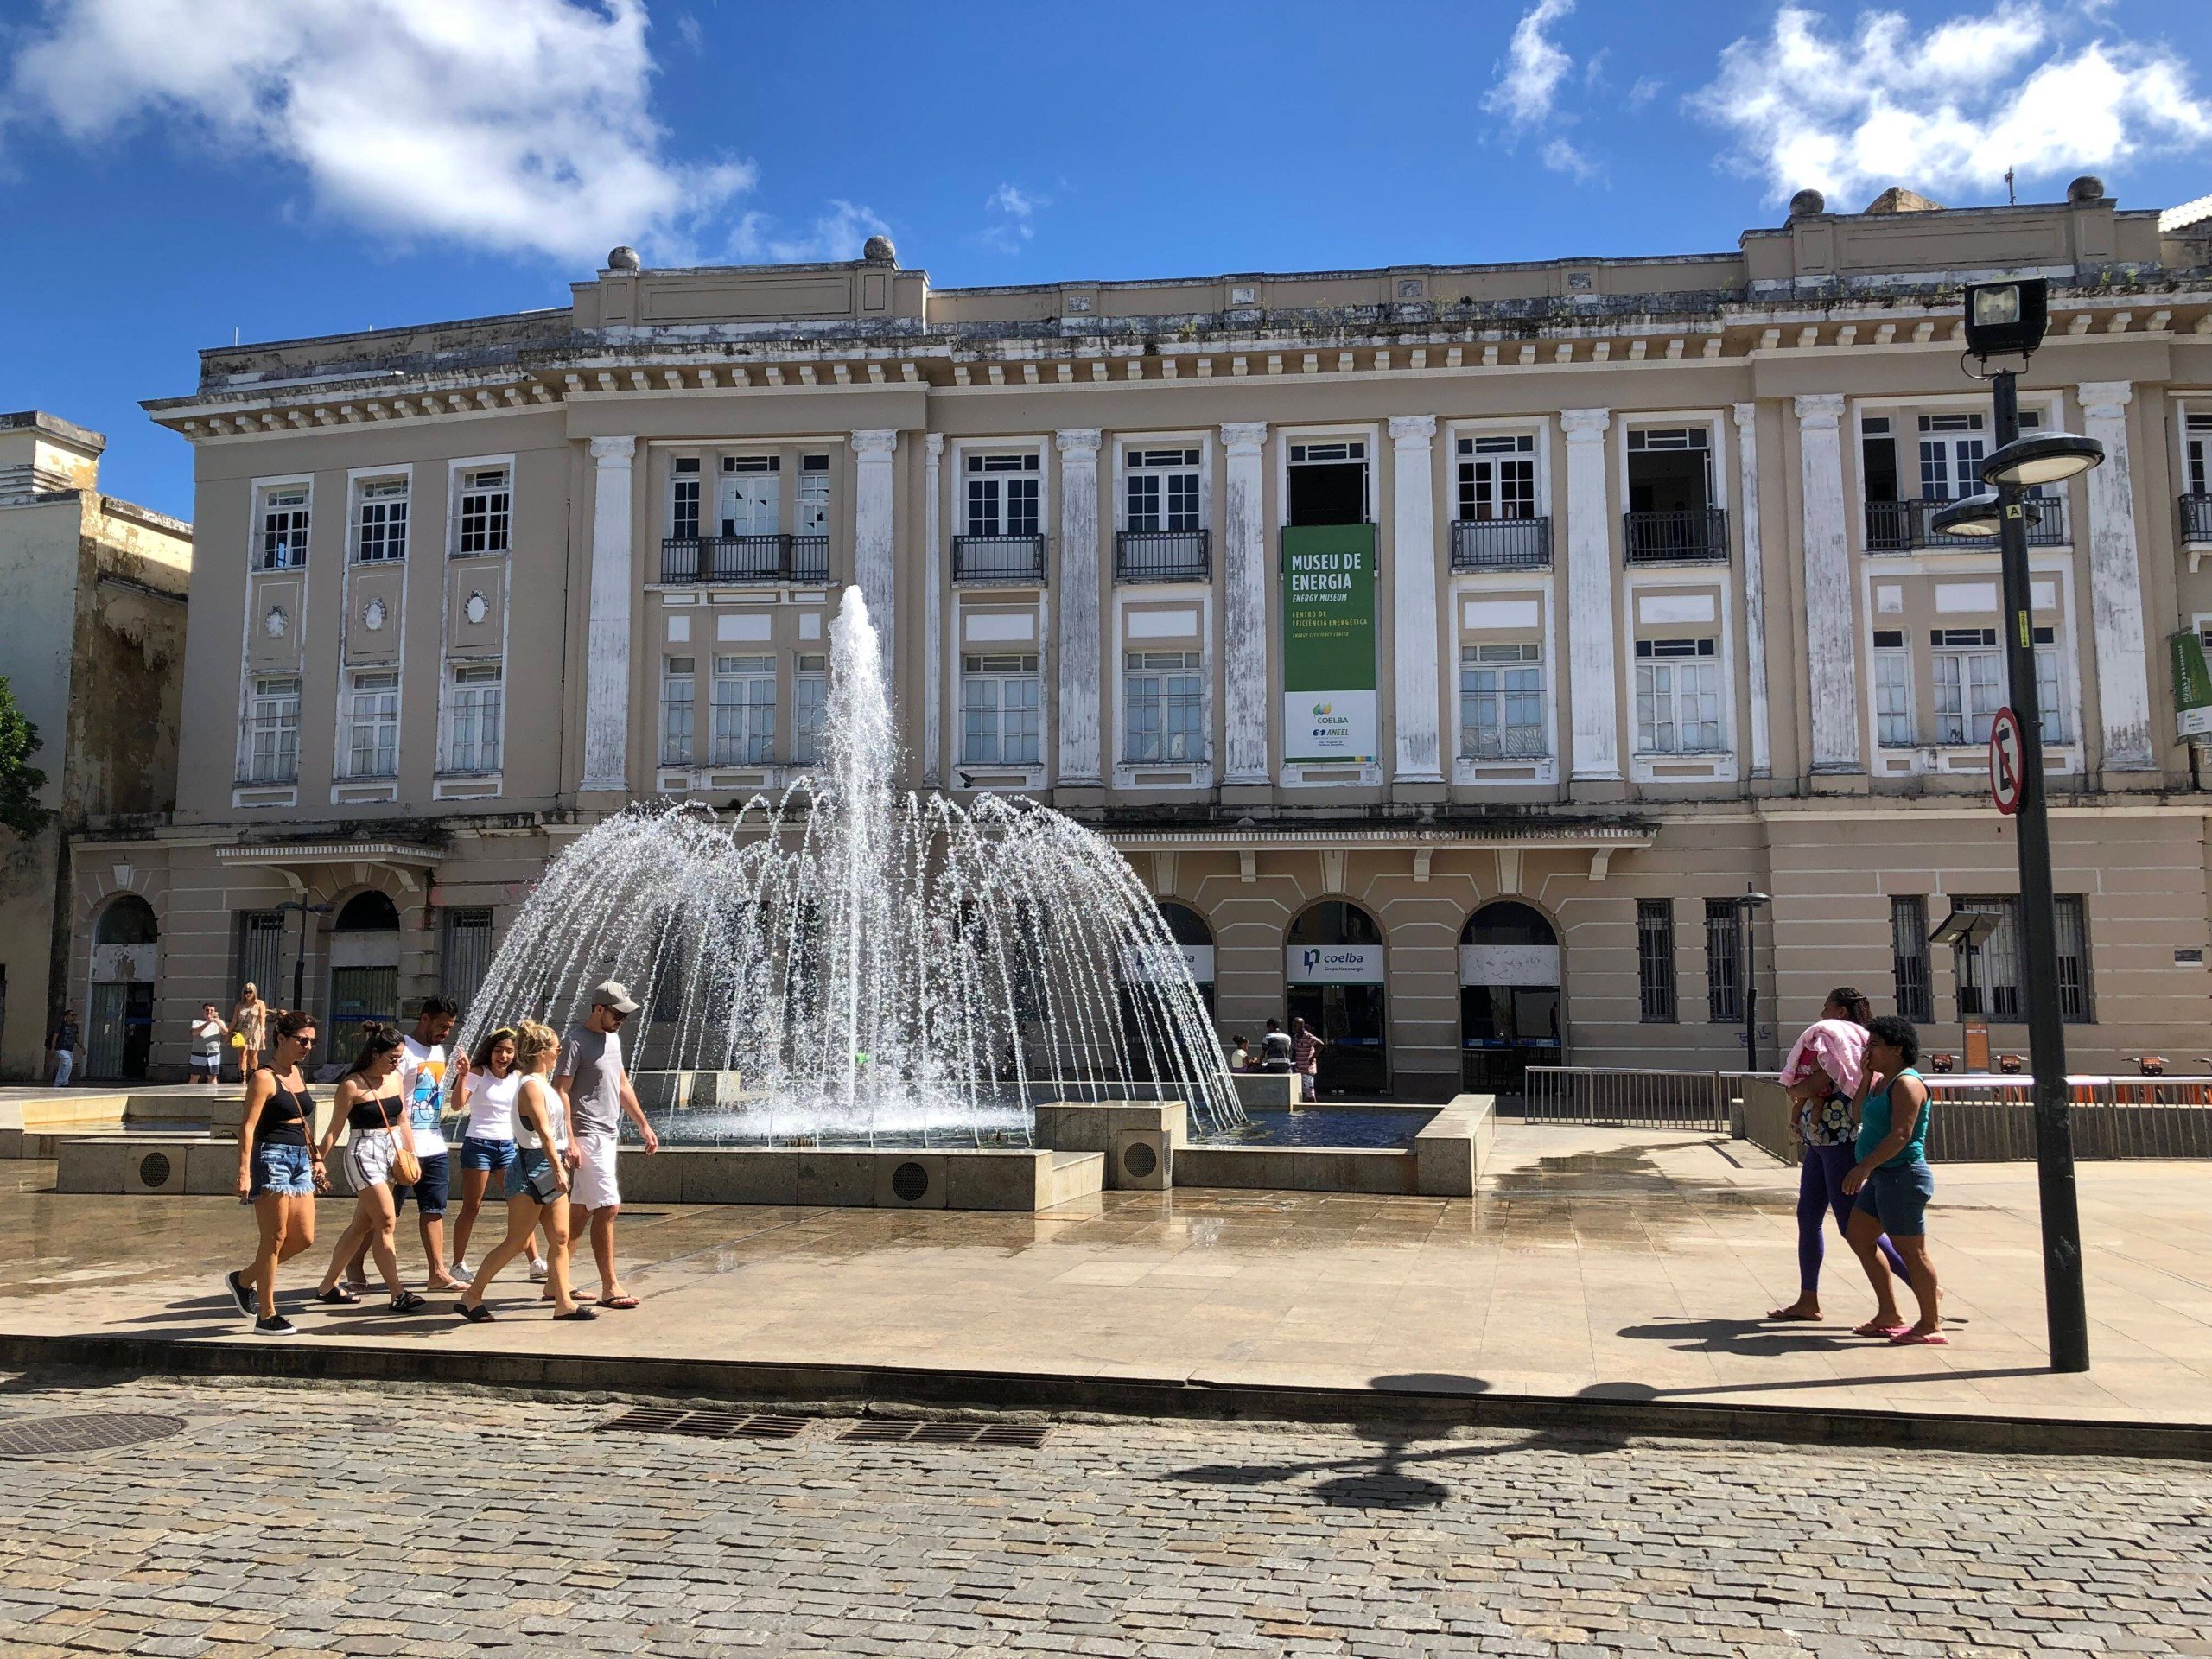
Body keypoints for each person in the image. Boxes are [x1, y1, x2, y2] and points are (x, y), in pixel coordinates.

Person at [1766, 987, 1910, 1323]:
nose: (1821, 1016)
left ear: (1842, 1012)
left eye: (1826, 1007)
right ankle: (1808, 1299)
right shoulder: (1848, 1049)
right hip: (1820, 1143)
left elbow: (1805, 1088)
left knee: (1853, 1228)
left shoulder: (1840, 1056)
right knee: (1808, 1218)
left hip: (1838, 1142)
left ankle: (1920, 1285)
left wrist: (1797, 1089)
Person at [455, 1020, 593, 1322]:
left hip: (546, 1163)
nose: (559, 1051)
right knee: (517, 1241)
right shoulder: (530, 1086)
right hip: (534, 1166)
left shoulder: (541, 1083)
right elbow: (543, 1132)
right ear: (542, 1052)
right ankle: (472, 1295)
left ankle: (563, 1302)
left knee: (559, 1235)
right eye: (555, 1047)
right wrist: (558, 1168)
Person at [344, 996, 467, 1294]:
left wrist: (463, 1075)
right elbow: (390, 1097)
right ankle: (355, 1264)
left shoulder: (439, 1051)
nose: (445, 1032)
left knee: (434, 1208)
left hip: (434, 1142)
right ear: (424, 1019)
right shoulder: (403, 1052)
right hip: (399, 1146)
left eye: (450, 1027)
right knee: (382, 1215)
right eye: (441, 1026)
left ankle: (437, 1272)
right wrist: (402, 1145)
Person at [553, 982, 660, 1311]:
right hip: (586, 1135)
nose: (621, 1021)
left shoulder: (612, 1039)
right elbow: (560, 1091)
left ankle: (554, 1281)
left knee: (583, 1209)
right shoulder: (574, 1042)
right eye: (617, 1014)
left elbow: (621, 1082)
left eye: (625, 1016)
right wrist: (569, 1139)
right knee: (609, 1207)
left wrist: (642, 1123)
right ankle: (610, 1286)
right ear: (598, 1009)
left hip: (607, 1133)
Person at [1841, 1014, 1944, 1345]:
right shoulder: (1882, 1082)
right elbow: (1857, 1114)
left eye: (1875, 1045)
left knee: (1913, 1253)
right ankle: (1889, 1313)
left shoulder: (1907, 1084)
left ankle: (1930, 1325)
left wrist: (1863, 1168)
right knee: (1858, 1235)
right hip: (1883, 1176)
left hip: (1902, 1176)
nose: (1868, 1050)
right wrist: (1865, 1076)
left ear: (1897, 1048)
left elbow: (1901, 1134)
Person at [313, 1023, 428, 1314]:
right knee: (387, 1220)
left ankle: (327, 1286)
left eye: (399, 1058)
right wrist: (318, 1160)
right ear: (374, 1054)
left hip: (391, 1150)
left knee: (362, 1225)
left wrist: (411, 1155)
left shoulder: (396, 1078)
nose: (396, 1063)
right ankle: (397, 1292)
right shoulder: (352, 1085)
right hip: (363, 1152)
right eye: (392, 1057)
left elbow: (402, 1119)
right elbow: (334, 1128)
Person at [226, 1009, 322, 1336]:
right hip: (272, 1157)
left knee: (304, 1237)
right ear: (281, 1039)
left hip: (300, 1159)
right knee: (275, 1237)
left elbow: (303, 1118)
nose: (307, 1046)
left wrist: (316, 1156)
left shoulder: (297, 1074)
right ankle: (266, 1314)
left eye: (311, 1042)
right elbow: (247, 1127)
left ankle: (242, 1280)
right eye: (301, 1040)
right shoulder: (264, 1077)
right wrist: (244, 1171)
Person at [450, 1027, 550, 1286]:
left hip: (507, 1147)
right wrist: (462, 1075)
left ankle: (535, 1262)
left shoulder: (518, 1077)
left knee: (523, 1203)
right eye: (498, 1050)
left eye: (508, 1051)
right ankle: (458, 1264)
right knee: (473, 1205)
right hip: (478, 1145)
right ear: (489, 1051)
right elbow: (457, 1104)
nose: (503, 1056)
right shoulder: (478, 1073)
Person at [188, 1003, 230, 1089]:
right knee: (194, 1077)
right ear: (203, 1011)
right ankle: (190, 1095)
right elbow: (194, 1032)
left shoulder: (219, 1022)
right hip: (198, 1053)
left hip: (214, 1054)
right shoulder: (197, 1022)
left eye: (211, 1010)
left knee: (213, 1077)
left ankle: (212, 1095)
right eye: (207, 1010)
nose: (209, 1012)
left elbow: (225, 1032)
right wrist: (207, 1023)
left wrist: (217, 1020)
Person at [232, 983, 269, 1080]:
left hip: (254, 1032)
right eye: (246, 992)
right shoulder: (239, 1005)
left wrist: (262, 1031)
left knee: (253, 1057)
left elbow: (262, 1018)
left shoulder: (259, 1004)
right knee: (242, 1055)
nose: (248, 994)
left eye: (250, 992)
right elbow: (235, 1020)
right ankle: (242, 1077)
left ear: (254, 992)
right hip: (241, 1032)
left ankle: (253, 1076)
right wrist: (228, 1031)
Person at [1290, 1016, 1321, 1103]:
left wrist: (1312, 1057)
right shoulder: (1296, 1037)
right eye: (1292, 1025)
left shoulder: (1307, 1036)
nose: (1293, 1027)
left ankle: (1314, 1111)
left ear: (1301, 1026)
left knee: (1310, 1093)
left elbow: (1320, 1044)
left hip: (1307, 1070)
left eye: (1295, 1026)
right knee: (1300, 1093)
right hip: (1299, 1069)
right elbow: (1293, 1049)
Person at [46, 1007, 79, 1088]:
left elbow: (77, 1038)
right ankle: (64, 1082)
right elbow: (55, 1037)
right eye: (72, 1015)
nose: (74, 1017)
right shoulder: (61, 1025)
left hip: (70, 1049)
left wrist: (82, 1047)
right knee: (68, 1064)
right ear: (66, 1016)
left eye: (75, 1015)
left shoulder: (75, 1026)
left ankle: (57, 1084)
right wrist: (53, 1049)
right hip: (61, 1048)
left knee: (62, 1066)